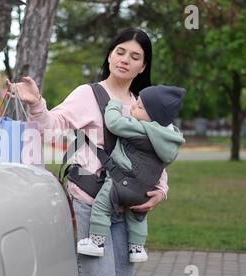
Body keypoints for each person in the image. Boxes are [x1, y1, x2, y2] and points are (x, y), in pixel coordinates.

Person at [7, 28, 167, 276]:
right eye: (120, 51)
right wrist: (37, 104)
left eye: (135, 56)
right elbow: (50, 128)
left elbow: (155, 152)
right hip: (89, 203)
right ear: (109, 55)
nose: (125, 59)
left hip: (127, 207)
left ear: (142, 67)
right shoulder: (88, 94)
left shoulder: (142, 106)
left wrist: (161, 190)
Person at [77, 85, 186, 263]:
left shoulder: (142, 128)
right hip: (145, 190)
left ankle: (96, 242)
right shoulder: (169, 139)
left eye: (140, 107)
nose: (134, 107)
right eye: (136, 103)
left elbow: (114, 124)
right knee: (137, 217)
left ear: (155, 118)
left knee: (101, 207)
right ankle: (137, 248)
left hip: (121, 181)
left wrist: (114, 105)